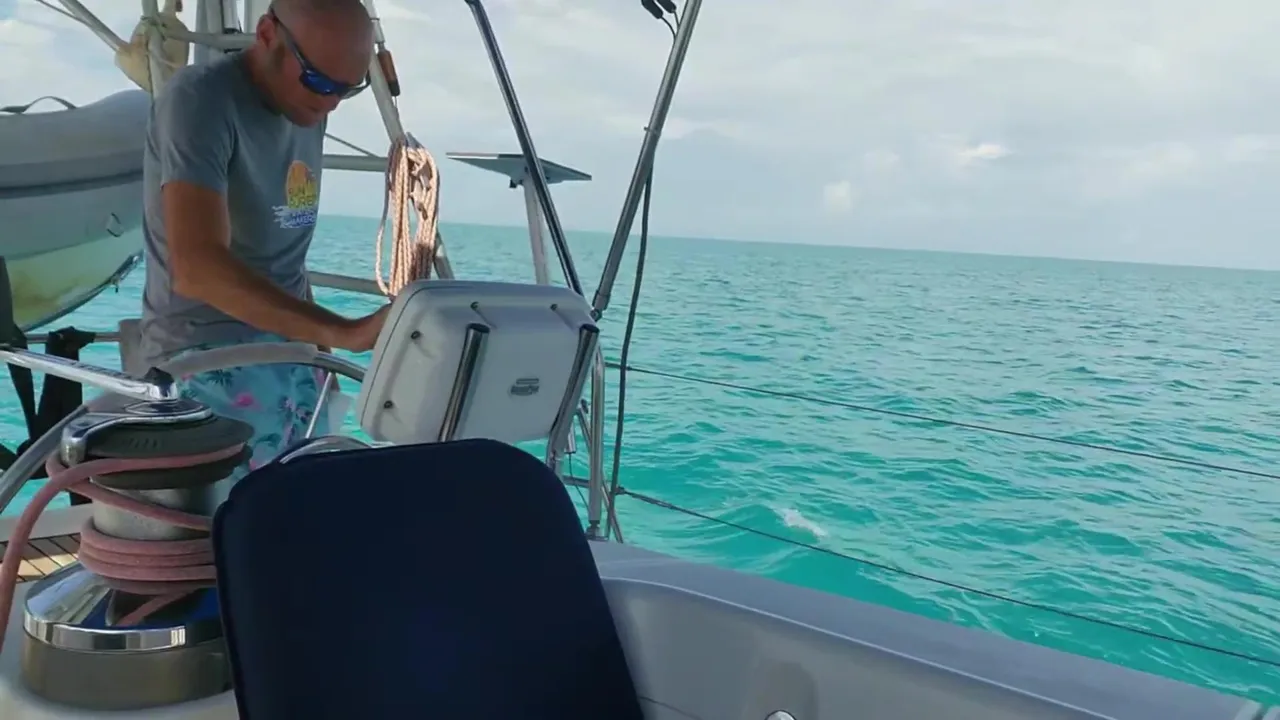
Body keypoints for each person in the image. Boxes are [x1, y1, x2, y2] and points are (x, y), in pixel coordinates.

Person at [138, 0, 387, 486]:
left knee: (309, 516)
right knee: (236, 525)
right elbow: (197, 267)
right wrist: (347, 332)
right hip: (206, 360)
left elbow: (285, 255)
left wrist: (322, 355)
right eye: (318, 81)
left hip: (295, 359)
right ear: (268, 33)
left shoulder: (307, 104)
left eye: (346, 89)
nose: (330, 103)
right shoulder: (200, 99)